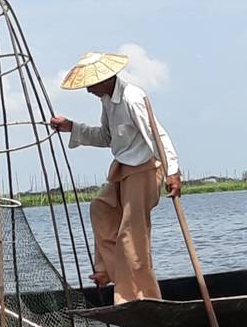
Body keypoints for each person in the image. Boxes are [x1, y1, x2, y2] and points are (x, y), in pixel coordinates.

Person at [49, 51, 181, 303]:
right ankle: (109, 271)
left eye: (90, 84)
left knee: (131, 233)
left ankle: (141, 296)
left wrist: (172, 171)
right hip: (123, 169)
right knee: (101, 208)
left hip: (144, 169)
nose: (88, 90)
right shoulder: (108, 101)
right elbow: (107, 137)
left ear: (105, 79)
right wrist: (72, 128)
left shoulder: (132, 98)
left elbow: (157, 136)